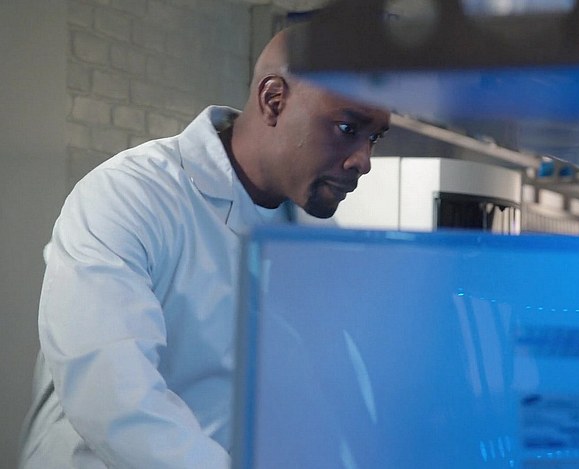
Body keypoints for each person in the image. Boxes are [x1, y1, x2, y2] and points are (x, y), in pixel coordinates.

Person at [18, 28, 390, 468]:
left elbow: (337, 393)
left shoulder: (314, 235)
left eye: (374, 138)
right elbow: (113, 398)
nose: (363, 160)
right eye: (348, 128)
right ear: (273, 100)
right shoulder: (129, 196)